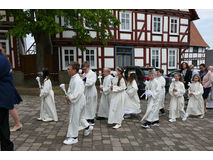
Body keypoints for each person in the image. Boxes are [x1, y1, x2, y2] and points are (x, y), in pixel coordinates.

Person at [63, 62, 93, 145]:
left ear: (74, 70)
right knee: (80, 117)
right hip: (78, 101)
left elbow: (78, 93)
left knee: (74, 119)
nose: (67, 70)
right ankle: (88, 127)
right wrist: (68, 96)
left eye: (69, 69)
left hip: (78, 102)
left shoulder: (77, 80)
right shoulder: (73, 78)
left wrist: (70, 97)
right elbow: (70, 89)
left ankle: (74, 137)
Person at [0, 44, 23, 132]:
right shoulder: (5, 59)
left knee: (9, 106)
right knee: (9, 106)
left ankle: (18, 123)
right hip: (8, 87)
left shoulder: (3, 60)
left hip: (6, 88)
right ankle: (18, 123)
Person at [0, 49, 14, 151]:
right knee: (3, 128)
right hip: (3, 99)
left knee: (3, 129)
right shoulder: (3, 59)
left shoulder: (2, 60)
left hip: (2, 99)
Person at [81, 62, 97, 126]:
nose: (84, 71)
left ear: (88, 67)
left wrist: (85, 79)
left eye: (85, 69)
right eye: (83, 69)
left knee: (91, 106)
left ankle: (92, 120)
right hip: (86, 91)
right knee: (86, 106)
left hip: (91, 92)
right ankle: (87, 119)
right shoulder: (84, 73)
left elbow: (91, 82)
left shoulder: (93, 73)